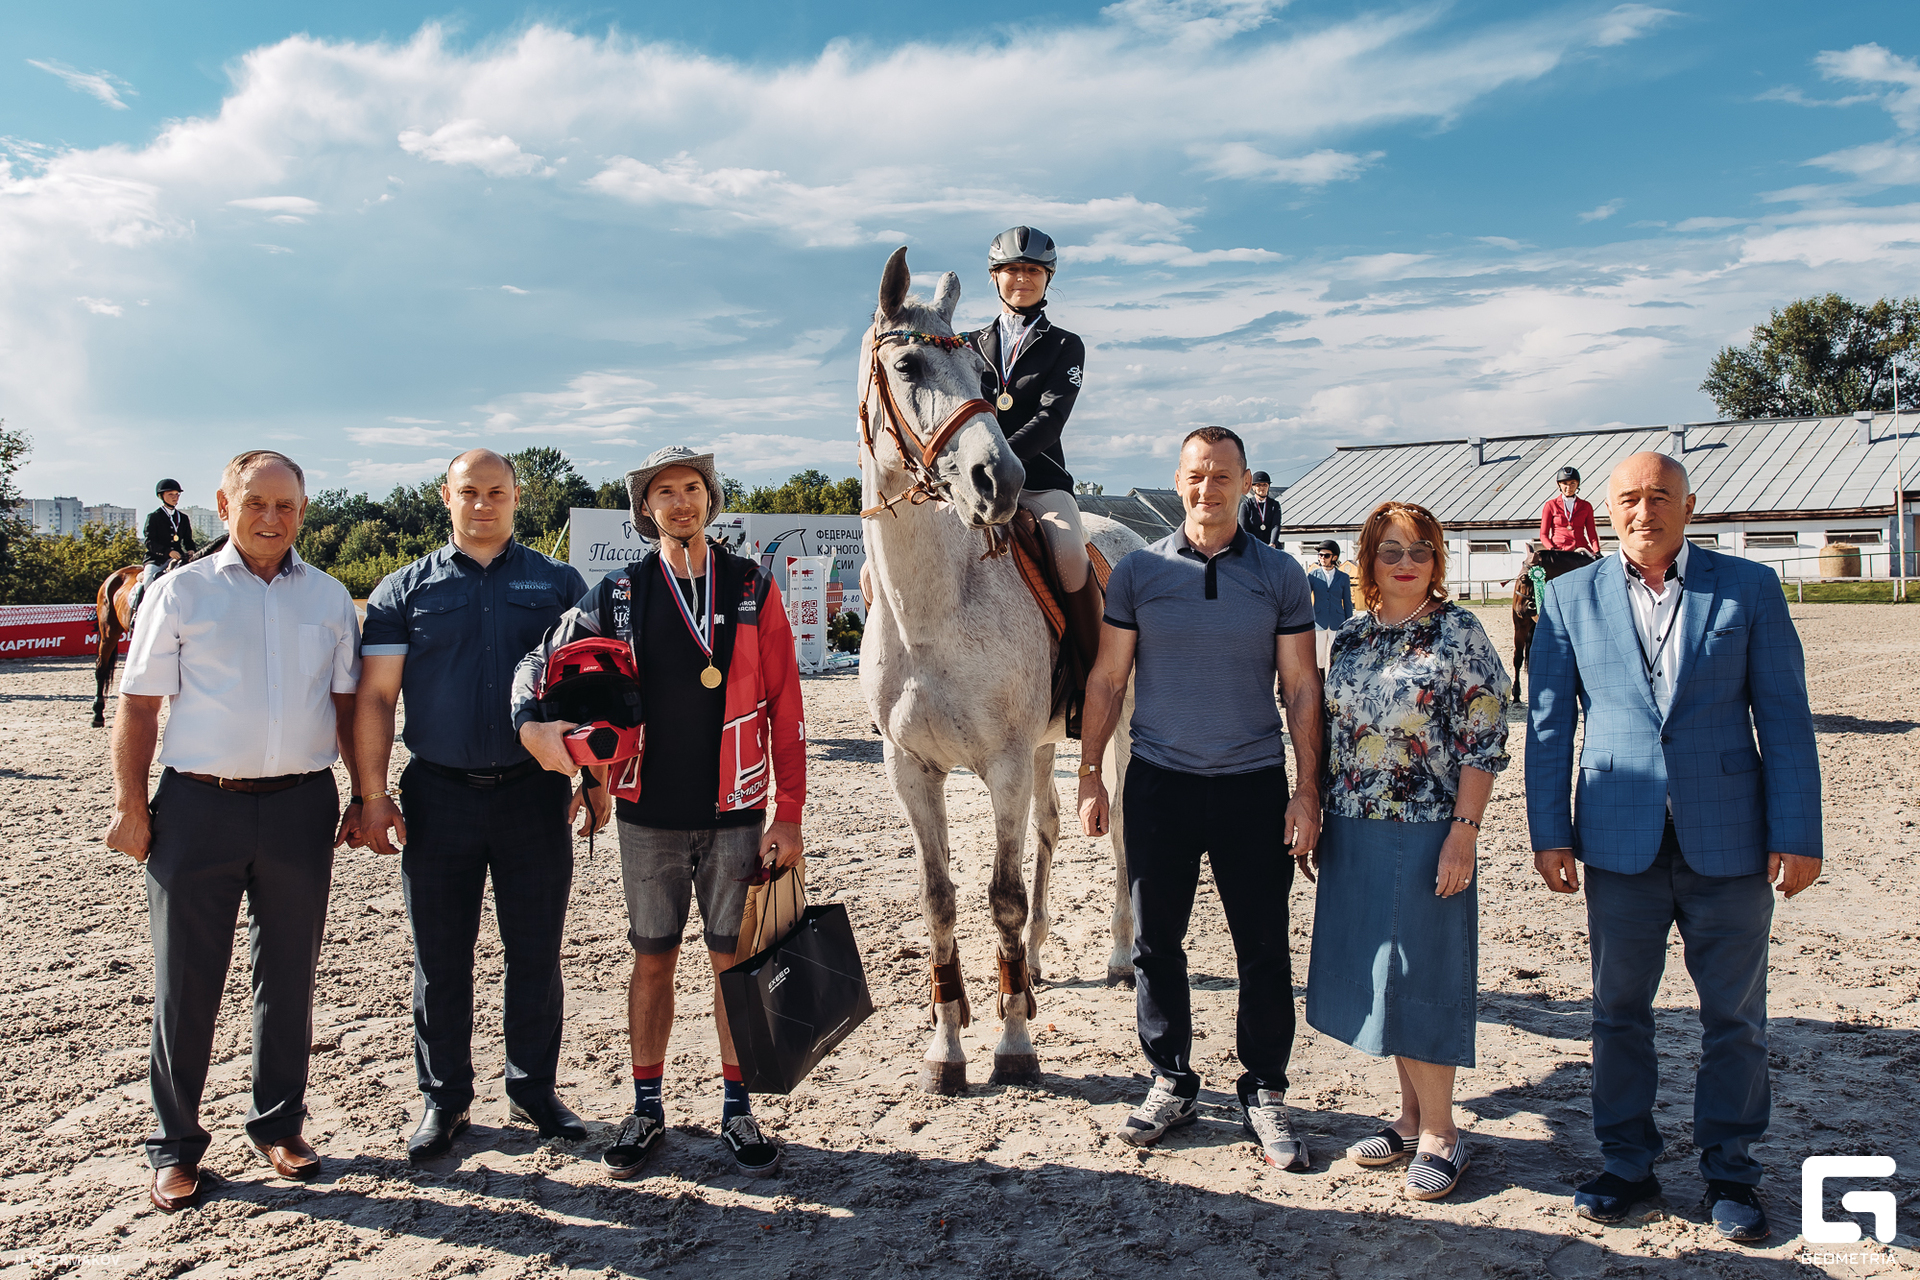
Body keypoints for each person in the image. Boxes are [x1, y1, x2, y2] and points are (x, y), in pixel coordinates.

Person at [1526, 451, 1822, 1242]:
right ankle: (1627, 1162)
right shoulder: (1569, 597)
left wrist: (1798, 832)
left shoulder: (1750, 588)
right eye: (1628, 498)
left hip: (1730, 838)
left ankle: (1731, 1170)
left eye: (1660, 496)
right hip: (1616, 838)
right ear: (1607, 509)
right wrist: (1549, 831)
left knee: (1736, 1018)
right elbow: (1549, 725)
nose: (1643, 510)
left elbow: (1784, 716)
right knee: (1618, 1012)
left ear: (1689, 506)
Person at [513, 445, 806, 1181]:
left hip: (738, 808)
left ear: (710, 499)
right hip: (646, 811)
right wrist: (553, 742)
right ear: (645, 509)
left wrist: (790, 813)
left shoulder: (750, 585)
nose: (681, 502)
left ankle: (737, 1110)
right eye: (665, 492)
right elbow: (545, 666)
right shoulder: (618, 592)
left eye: (692, 488)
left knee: (731, 963)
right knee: (652, 959)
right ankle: (646, 1109)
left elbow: (786, 704)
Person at [102, 450, 362, 1212]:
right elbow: (138, 705)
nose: (271, 518)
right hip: (197, 806)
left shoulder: (329, 598)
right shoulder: (179, 592)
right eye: (255, 503)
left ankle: (279, 1124)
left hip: (300, 807)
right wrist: (130, 804)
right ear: (224, 505)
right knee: (185, 983)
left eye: (286, 505)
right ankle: (175, 1147)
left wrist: (365, 793)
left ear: (303, 511)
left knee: (289, 976)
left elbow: (347, 708)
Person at [1077, 426, 1322, 1170]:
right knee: (1155, 943)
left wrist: (1308, 789)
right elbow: (1108, 678)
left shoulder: (1280, 574)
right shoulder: (1138, 573)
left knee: (1263, 947)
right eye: (1195, 475)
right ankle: (1172, 1079)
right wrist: (1089, 772)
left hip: (1253, 784)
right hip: (1160, 782)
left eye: (1221, 476)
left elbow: (1301, 688)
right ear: (1178, 480)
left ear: (1246, 482)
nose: (1207, 488)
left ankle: (1265, 1088)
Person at [354, 449, 593, 1161]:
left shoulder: (559, 584)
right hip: (438, 796)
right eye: (469, 492)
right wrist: (372, 793)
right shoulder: (403, 590)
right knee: (440, 957)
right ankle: (445, 1098)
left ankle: (533, 1089)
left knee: (536, 952)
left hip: (534, 794)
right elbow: (377, 697)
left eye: (496, 492)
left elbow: (588, 689)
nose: (483, 504)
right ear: (447, 496)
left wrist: (595, 779)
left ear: (517, 497)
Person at [1304, 501, 1510, 1202]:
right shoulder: (1351, 636)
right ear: (1368, 560)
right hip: (1355, 827)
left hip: (1427, 829)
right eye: (1390, 550)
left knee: (1421, 972)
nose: (1405, 562)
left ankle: (1444, 1133)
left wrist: (1464, 831)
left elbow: (1484, 740)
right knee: (1382, 976)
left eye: (1419, 549)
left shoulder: (1459, 632)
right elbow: (1332, 733)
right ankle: (1410, 1116)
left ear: (1436, 559)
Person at [963, 226, 1101, 711]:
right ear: (994, 277)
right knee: (879, 566)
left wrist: (1001, 458)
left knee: (1070, 555)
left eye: (1032, 270)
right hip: (969, 484)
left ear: (1047, 278)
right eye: (1011, 270)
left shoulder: (1066, 345)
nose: (1021, 278)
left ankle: (1090, 680)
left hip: (1038, 482)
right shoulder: (964, 345)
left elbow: (1051, 417)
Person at [130, 478, 198, 618]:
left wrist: (191, 550)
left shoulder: (183, 518)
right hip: (157, 559)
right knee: (149, 582)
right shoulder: (154, 517)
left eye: (177, 494)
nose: (175, 497)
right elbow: (149, 542)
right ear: (161, 496)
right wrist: (168, 552)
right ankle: (138, 613)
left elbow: (188, 540)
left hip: (178, 558)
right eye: (171, 494)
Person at [1306, 540, 1352, 672]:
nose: (1322, 558)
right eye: (1320, 555)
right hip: (1319, 621)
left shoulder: (1343, 577)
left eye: (1326, 555)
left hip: (1337, 621)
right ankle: (1321, 683)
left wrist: (1349, 624)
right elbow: (1306, 599)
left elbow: (1347, 602)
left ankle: (1334, 680)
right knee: (1319, 657)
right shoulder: (1312, 576)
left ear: (1334, 557)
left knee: (1336, 655)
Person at [1539, 466, 1601, 557]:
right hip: (1559, 551)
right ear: (1559, 484)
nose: (1569, 487)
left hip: (1581, 549)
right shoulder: (1550, 505)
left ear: (1577, 484)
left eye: (1572, 483)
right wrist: (1551, 549)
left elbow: (1592, 533)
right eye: (1565, 483)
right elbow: (1543, 535)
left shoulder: (1586, 506)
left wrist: (1597, 551)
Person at [1239, 471, 1283, 546]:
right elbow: (1243, 528)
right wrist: (1250, 544)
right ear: (1253, 487)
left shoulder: (1274, 505)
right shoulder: (1246, 505)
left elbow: (1276, 525)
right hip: (1252, 545)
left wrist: (1272, 543)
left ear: (1268, 486)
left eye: (1265, 485)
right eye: (1258, 485)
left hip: (1270, 545)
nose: (1262, 488)